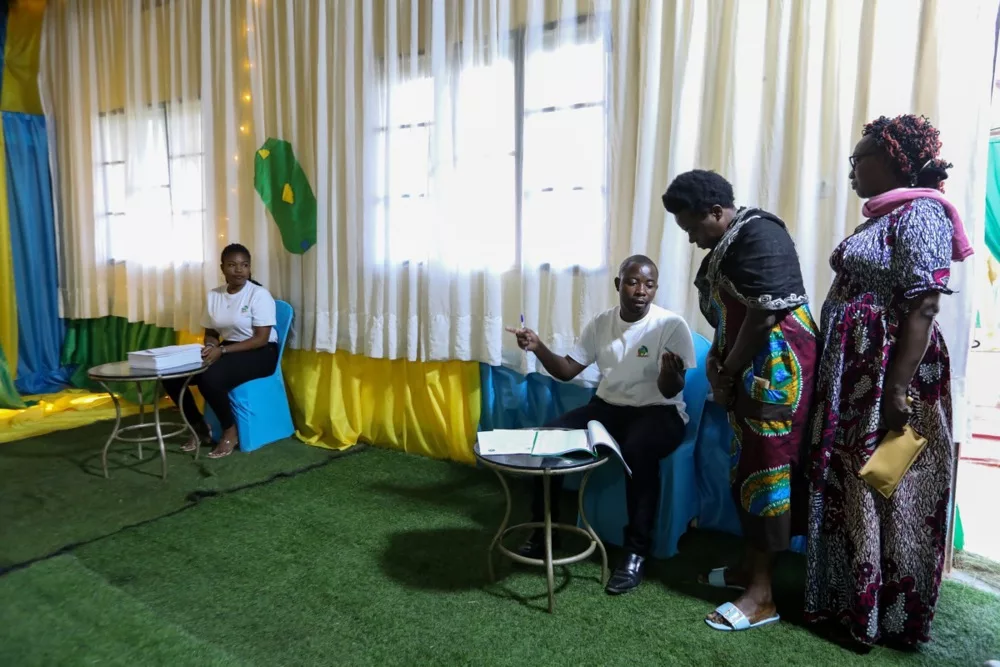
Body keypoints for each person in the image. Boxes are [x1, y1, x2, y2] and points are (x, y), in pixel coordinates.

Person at [804, 115, 974, 649]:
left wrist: (897, 389)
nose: (852, 170)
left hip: (887, 373)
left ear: (892, 161)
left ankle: (885, 616)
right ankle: (846, 601)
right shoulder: (886, 214)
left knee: (885, 484)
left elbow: (923, 306)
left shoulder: (923, 212)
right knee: (853, 484)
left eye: (859, 160)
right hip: (855, 372)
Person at [662, 170, 819, 632]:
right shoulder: (731, 241)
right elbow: (731, 317)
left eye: (692, 227)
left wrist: (727, 370)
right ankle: (750, 568)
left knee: (769, 475)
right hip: (749, 373)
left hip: (777, 377)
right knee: (748, 469)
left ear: (716, 212)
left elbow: (765, 312)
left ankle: (763, 596)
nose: (691, 239)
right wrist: (719, 363)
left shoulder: (761, 234)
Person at [506, 255, 696, 595]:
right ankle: (545, 532)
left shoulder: (671, 325)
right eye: (633, 282)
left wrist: (671, 373)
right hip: (608, 408)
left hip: (659, 411)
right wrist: (538, 347)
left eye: (649, 284)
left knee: (638, 450)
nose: (641, 291)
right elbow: (567, 370)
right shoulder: (601, 324)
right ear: (618, 284)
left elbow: (671, 391)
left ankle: (635, 552)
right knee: (546, 437)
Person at [163, 243, 280, 459]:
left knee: (209, 378)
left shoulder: (259, 294)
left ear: (250, 268)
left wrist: (222, 351)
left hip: (261, 353)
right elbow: (211, 331)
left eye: (244, 265)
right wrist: (211, 346)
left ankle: (229, 430)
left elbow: (261, 339)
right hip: (229, 348)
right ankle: (199, 426)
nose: (239, 270)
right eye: (232, 265)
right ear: (222, 268)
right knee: (172, 376)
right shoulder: (214, 295)